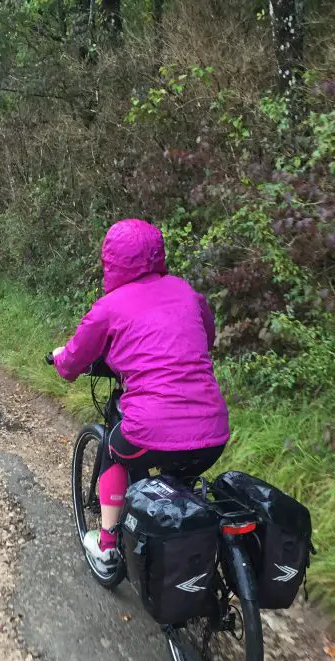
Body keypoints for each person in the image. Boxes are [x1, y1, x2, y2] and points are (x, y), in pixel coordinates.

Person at [51, 218, 230, 571]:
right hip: (214, 431)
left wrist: (60, 358)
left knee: (114, 451)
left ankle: (106, 547)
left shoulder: (110, 306)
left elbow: (71, 363)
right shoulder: (185, 291)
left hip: (152, 429)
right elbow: (206, 339)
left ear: (112, 261)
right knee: (180, 475)